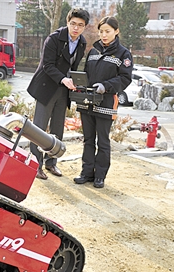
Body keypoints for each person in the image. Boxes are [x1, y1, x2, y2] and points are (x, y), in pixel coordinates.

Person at [27, 8, 90, 180]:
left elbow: (75, 67)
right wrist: (63, 79)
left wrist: (75, 82)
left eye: (80, 25)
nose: (76, 28)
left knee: (57, 127)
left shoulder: (82, 42)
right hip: (47, 87)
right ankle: (35, 164)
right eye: (73, 24)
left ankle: (51, 163)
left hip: (65, 90)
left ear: (84, 27)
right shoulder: (54, 38)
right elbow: (47, 65)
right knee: (39, 128)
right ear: (68, 22)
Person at [74, 16, 133, 188]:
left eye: (107, 31)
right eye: (101, 31)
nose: (104, 35)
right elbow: (86, 73)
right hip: (87, 102)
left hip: (106, 103)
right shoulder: (93, 51)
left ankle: (100, 176)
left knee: (103, 141)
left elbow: (125, 78)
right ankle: (86, 173)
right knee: (88, 139)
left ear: (116, 31)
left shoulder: (124, 54)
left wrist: (106, 86)